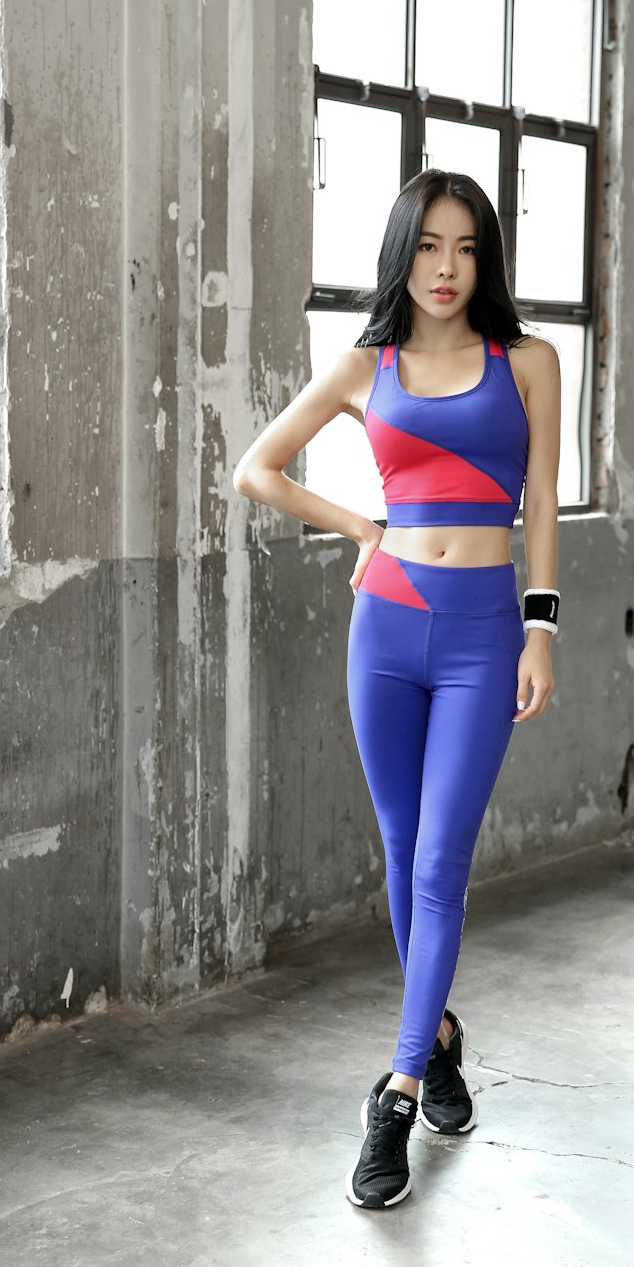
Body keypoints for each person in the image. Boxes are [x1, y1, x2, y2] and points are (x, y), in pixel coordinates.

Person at [233, 168, 560, 1209]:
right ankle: (445, 1036)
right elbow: (259, 469)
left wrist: (539, 634)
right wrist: (365, 529)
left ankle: (400, 1087)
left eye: (465, 247)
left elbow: (542, 500)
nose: (447, 268)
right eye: (428, 247)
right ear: (401, 254)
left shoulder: (530, 362)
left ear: (485, 258)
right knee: (399, 846)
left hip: (480, 633)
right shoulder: (363, 365)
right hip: (384, 624)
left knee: (440, 865)